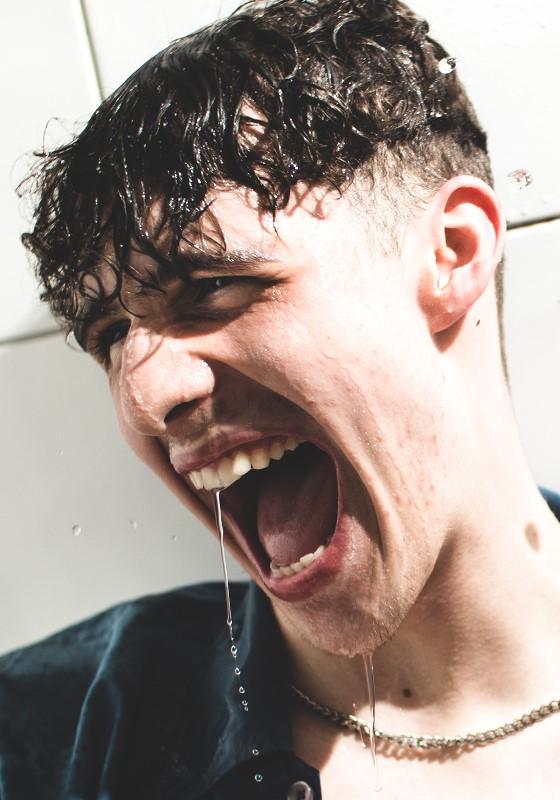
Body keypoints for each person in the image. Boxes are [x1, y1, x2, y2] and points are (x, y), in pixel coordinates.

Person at [1, 0, 559, 797]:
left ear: (451, 254)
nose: (147, 396)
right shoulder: (44, 740)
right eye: (109, 338)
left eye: (215, 285)